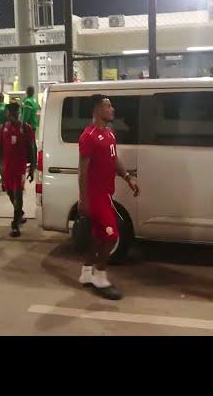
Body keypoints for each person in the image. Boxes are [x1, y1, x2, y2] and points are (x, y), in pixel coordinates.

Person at [77, 94, 140, 300]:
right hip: (96, 197)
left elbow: (114, 159)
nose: (112, 109)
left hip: (107, 194)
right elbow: (82, 171)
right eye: (108, 106)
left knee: (98, 236)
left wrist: (127, 177)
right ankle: (100, 276)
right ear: (97, 109)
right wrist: (84, 199)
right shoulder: (89, 136)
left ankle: (86, 273)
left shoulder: (109, 134)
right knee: (111, 236)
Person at [0, 102, 35, 237]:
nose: (14, 116)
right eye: (11, 114)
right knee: (10, 193)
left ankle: (15, 224)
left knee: (18, 194)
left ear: (19, 113)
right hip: (6, 168)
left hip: (20, 168)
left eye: (16, 113)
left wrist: (32, 167)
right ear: (7, 114)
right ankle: (19, 213)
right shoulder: (3, 128)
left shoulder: (26, 128)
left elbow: (32, 148)